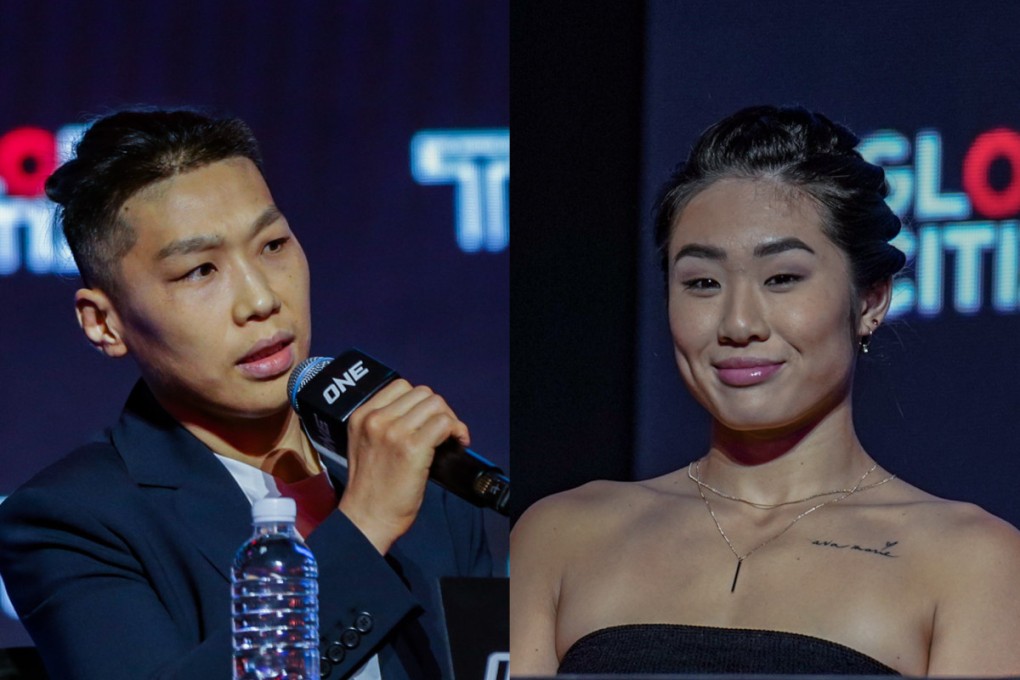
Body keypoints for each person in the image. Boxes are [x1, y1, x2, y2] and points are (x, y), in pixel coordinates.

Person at [509, 105, 1020, 676]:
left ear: (871, 301)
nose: (737, 323)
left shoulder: (971, 561)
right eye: (702, 283)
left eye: (782, 279)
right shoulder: (561, 536)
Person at [0, 108, 493, 679]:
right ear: (104, 323)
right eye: (200, 271)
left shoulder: (415, 466)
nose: (260, 299)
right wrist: (363, 528)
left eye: (273, 245)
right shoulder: (71, 521)